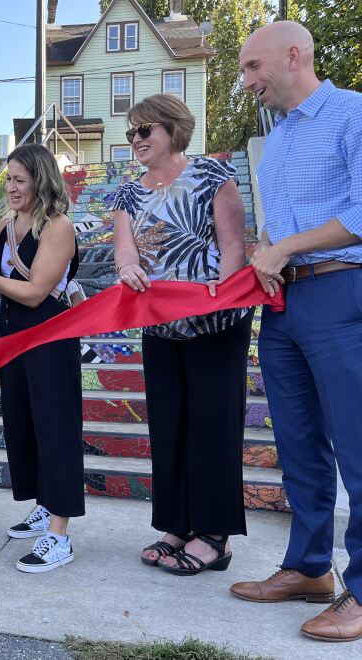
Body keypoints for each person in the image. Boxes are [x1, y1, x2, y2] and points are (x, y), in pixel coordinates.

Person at [230, 21, 362, 642]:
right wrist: (266, 250)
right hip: (283, 304)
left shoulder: (351, 114)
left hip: (341, 292)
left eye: (254, 68)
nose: (247, 82)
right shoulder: (276, 140)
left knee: (358, 448)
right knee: (300, 443)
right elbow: (271, 227)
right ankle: (311, 568)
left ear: (293, 55)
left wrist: (285, 249)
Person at [110, 94, 252, 576]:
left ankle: (214, 535)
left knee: (213, 425)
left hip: (217, 322)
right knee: (168, 426)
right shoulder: (128, 193)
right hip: (161, 324)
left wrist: (219, 295)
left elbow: (234, 243)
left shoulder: (212, 174)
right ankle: (177, 524)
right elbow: (125, 252)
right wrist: (128, 269)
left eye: (144, 130)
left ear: (172, 127)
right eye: (131, 133)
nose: (136, 140)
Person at [0, 143, 83, 573]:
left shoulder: (59, 226)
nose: (10, 187)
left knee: (56, 432)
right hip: (13, 338)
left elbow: (35, 292)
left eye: (19, 180)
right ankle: (45, 509)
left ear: (40, 181)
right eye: (7, 178)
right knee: (25, 429)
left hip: (50, 337)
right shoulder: (7, 225)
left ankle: (60, 537)